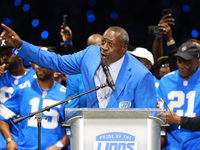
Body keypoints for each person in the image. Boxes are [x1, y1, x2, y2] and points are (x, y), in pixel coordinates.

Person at [0, 23, 157, 109]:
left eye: (110, 44)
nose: (104, 47)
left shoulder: (141, 75)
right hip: (93, 133)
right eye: (103, 42)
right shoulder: (90, 55)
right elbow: (57, 62)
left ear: (123, 49)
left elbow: (149, 119)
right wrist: (21, 45)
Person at [0, 48, 70, 149]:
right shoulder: (22, 90)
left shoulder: (66, 95)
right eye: (36, 62)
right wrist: (9, 140)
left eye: (43, 62)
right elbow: (2, 117)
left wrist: (59, 145)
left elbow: (74, 127)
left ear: (54, 65)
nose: (38, 66)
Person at [157, 42, 200, 149]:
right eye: (179, 61)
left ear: (198, 62)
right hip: (171, 145)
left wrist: (179, 120)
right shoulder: (166, 81)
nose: (181, 66)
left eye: (187, 62)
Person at [0, 39, 36, 149]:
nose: (4, 58)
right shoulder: (0, 77)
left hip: (29, 136)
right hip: (3, 139)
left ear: (20, 55)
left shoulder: (37, 76)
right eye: (1, 55)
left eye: (8, 54)